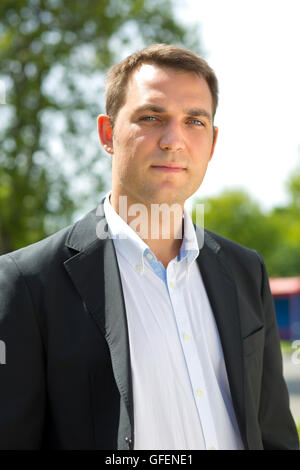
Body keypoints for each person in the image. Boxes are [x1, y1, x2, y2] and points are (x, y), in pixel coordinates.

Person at [0, 44, 298, 451]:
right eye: (151, 117)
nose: (173, 140)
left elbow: (275, 434)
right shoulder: (27, 282)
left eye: (194, 121)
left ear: (211, 143)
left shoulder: (246, 271)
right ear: (108, 133)